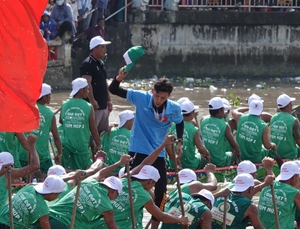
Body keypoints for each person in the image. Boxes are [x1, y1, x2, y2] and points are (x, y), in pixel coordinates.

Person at [108, 70, 183, 209]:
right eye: (157, 96)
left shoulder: (174, 108)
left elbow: (179, 122)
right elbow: (113, 89)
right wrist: (119, 78)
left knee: (162, 191)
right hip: (138, 149)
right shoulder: (141, 97)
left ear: (169, 96)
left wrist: (180, 141)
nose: (159, 100)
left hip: (158, 153)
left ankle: (155, 228)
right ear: (152, 90)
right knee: (128, 186)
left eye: (163, 98)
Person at [210, 174, 285, 229]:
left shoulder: (222, 194)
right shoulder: (250, 206)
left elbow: (247, 193)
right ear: (250, 189)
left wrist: (264, 184)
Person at [59, 78, 99, 170]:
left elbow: (61, 121)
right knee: (84, 171)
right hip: (81, 146)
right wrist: (98, 144)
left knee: (67, 171)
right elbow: (93, 129)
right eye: (87, 89)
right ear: (81, 90)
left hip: (66, 145)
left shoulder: (64, 104)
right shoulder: (88, 106)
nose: (88, 91)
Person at [27, 84, 62, 174]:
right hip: (42, 157)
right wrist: (59, 153)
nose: (51, 97)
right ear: (44, 97)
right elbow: (56, 136)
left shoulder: (27, 109)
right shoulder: (50, 114)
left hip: (24, 154)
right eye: (49, 95)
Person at [81, 35, 112, 135]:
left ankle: (98, 150)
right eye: (102, 47)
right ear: (95, 48)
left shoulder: (101, 63)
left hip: (103, 105)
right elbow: (87, 83)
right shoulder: (87, 64)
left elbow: (104, 82)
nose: (105, 49)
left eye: (105, 47)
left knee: (101, 132)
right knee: (91, 132)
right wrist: (92, 100)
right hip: (94, 106)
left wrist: (109, 100)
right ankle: (92, 150)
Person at [167, 99, 210, 170]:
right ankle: (207, 170)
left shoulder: (172, 125)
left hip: (174, 165)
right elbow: (201, 148)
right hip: (190, 166)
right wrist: (208, 154)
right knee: (203, 156)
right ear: (192, 113)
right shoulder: (194, 129)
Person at [200, 97, 240, 167]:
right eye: (223, 110)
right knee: (231, 153)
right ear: (219, 111)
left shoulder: (203, 120)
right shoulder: (225, 125)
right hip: (219, 162)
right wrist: (239, 154)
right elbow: (234, 145)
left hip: (205, 160)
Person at [269, 94, 300, 159]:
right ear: (288, 105)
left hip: (274, 152)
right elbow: (299, 141)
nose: (292, 105)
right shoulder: (293, 120)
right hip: (289, 154)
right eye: (291, 103)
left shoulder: (273, 118)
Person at [236, 99, 276, 163]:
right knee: (268, 150)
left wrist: (249, 108)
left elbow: (235, 111)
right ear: (261, 110)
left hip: (240, 156)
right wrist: (273, 145)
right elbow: (267, 146)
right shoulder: (263, 125)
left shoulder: (240, 118)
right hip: (255, 159)